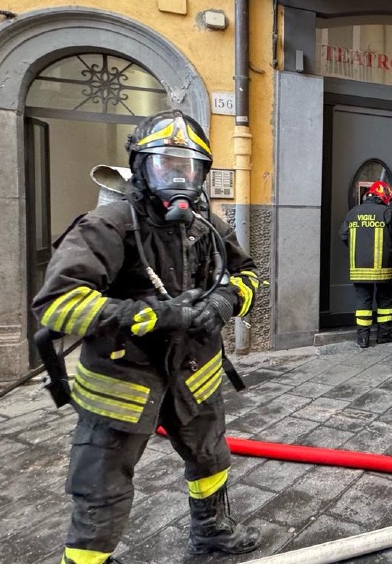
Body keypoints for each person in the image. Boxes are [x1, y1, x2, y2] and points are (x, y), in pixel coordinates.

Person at [32, 112, 263, 563]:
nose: (179, 177)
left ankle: (212, 532)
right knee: (101, 484)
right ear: (140, 168)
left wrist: (224, 303)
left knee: (210, 456)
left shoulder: (206, 225)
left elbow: (250, 275)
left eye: (189, 167)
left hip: (194, 372)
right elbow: (57, 303)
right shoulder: (107, 225)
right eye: (165, 165)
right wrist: (150, 316)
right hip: (124, 378)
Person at [339, 180, 392, 348]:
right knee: (385, 302)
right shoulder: (387, 213)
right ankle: (384, 334)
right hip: (383, 268)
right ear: (384, 196)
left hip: (359, 268)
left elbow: (344, 235)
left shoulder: (353, 212)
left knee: (363, 303)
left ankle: (362, 338)